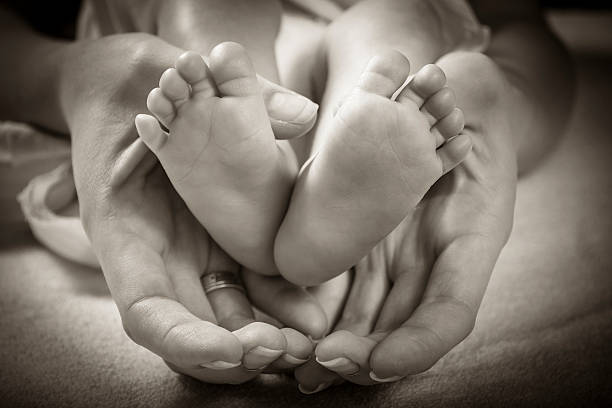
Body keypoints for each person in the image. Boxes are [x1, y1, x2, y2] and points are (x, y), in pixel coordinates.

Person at [0, 0, 573, 392]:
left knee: (210, 27)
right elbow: (521, 27)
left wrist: (60, 74)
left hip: (198, 68)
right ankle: (353, 120)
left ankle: (253, 134)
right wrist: (515, 96)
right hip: (366, 38)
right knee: (396, 25)